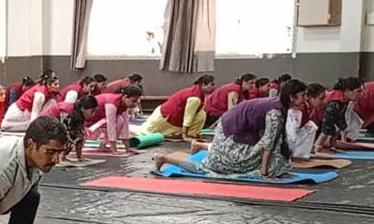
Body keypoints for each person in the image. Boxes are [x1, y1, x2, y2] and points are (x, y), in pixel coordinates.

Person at [154, 80, 306, 179]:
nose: (304, 99)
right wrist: (264, 173)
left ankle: (201, 146)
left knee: (271, 153)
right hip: (231, 131)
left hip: (237, 130)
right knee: (209, 169)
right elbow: (268, 144)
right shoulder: (275, 112)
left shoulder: (278, 106)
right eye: (302, 96)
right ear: (291, 97)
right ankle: (164, 158)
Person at [139, 75, 216, 140]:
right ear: (203, 85)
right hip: (164, 116)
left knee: (202, 114)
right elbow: (188, 117)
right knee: (144, 132)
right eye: (212, 84)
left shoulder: (197, 93)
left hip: (172, 117)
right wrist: (184, 135)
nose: (214, 87)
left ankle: (191, 134)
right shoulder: (195, 98)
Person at [85, 86, 142, 155]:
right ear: (125, 97)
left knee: (121, 120)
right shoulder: (112, 103)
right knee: (117, 121)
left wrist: (128, 148)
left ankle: (103, 145)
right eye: (134, 101)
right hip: (88, 119)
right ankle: (105, 145)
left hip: (99, 118)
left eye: (137, 101)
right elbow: (111, 125)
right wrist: (114, 149)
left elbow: (125, 125)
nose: (135, 104)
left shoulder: (123, 104)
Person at [40, 96, 98, 162]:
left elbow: (80, 135)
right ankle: (60, 156)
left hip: (54, 124)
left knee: (79, 134)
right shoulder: (67, 111)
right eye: (92, 111)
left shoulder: (80, 115)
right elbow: (63, 132)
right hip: (44, 124)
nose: (94, 114)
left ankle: (74, 156)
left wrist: (79, 156)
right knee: (67, 134)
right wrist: (61, 154)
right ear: (83, 109)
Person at [314, 77, 363, 154]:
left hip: (323, 120)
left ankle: (331, 147)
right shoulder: (335, 102)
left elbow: (339, 121)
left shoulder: (344, 100)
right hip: (315, 122)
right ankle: (317, 146)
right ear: (348, 91)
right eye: (358, 91)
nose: (361, 94)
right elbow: (327, 124)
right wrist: (318, 146)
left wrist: (333, 146)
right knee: (328, 127)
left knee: (341, 125)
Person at [285, 83, 325, 159]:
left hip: (296, 132)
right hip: (289, 136)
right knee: (311, 126)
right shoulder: (298, 109)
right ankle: (294, 154)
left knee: (311, 126)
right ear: (310, 98)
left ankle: (301, 154)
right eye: (320, 99)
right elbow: (291, 131)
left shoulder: (308, 108)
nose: (323, 102)